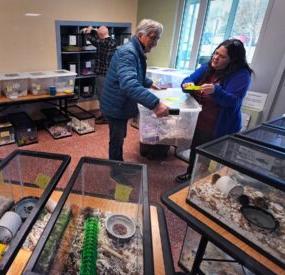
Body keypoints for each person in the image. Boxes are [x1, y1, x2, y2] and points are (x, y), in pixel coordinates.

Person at [175, 39, 253, 183]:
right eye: (216, 53)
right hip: (200, 121)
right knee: (196, 150)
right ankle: (190, 175)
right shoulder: (207, 67)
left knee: (214, 158)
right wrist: (188, 85)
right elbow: (186, 81)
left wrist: (215, 91)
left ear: (233, 60)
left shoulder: (242, 75)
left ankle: (206, 183)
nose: (216, 58)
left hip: (221, 126)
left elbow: (232, 101)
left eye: (222, 56)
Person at [100, 19, 169, 162]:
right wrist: (156, 104)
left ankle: (117, 165)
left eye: (157, 38)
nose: (155, 43)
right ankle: (116, 170)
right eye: (152, 37)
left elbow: (135, 75)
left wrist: (149, 83)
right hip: (115, 105)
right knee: (116, 140)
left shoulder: (135, 50)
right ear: (140, 35)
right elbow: (129, 84)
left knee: (119, 135)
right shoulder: (129, 53)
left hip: (119, 103)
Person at [82, 26, 117, 124]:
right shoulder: (113, 42)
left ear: (100, 35)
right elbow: (102, 37)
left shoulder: (101, 43)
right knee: (108, 96)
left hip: (102, 75)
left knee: (101, 96)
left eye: (98, 34)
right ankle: (106, 115)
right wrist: (98, 32)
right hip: (110, 74)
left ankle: (105, 117)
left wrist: (88, 31)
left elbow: (89, 38)